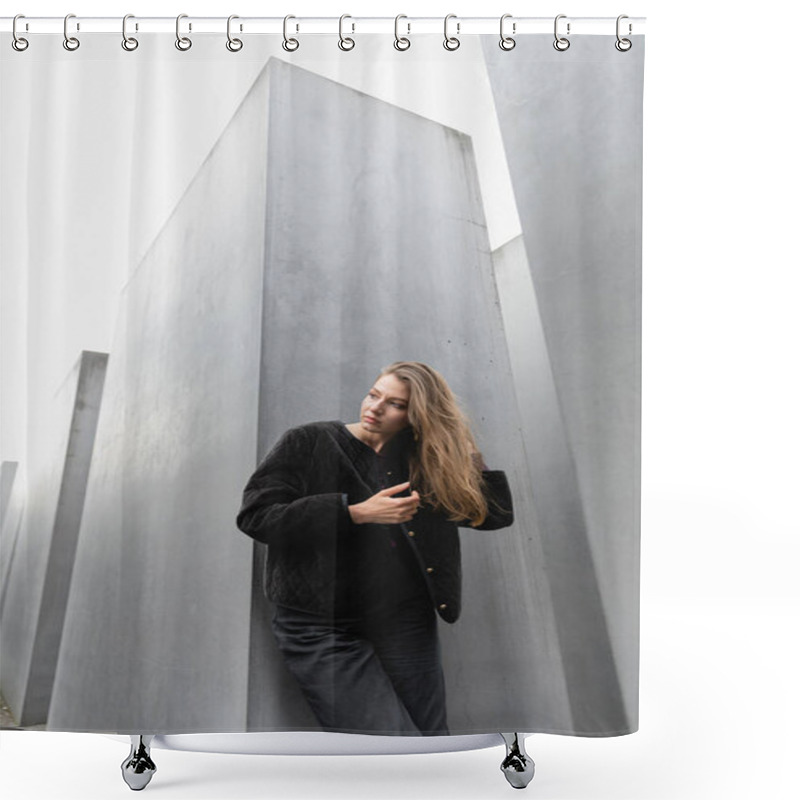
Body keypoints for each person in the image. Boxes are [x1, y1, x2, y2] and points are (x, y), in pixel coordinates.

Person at [236, 361, 514, 735]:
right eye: (373, 394)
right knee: (387, 737)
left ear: (416, 417)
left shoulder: (424, 459)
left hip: (404, 621)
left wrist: (466, 454)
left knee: (431, 740)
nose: (375, 408)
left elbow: (494, 516)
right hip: (321, 625)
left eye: (395, 404)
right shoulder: (308, 441)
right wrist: (353, 513)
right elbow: (256, 516)